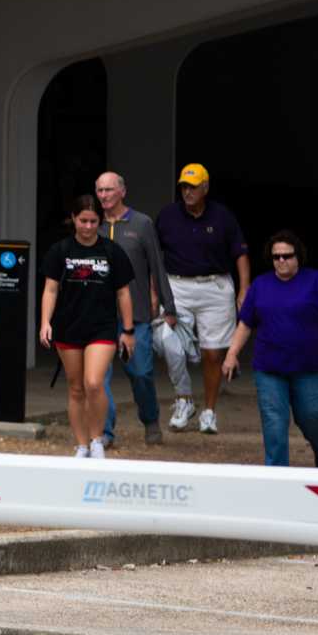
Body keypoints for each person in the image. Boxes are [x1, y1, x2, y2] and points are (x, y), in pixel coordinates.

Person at [221, 232, 318, 468]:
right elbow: (245, 323)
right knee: (274, 422)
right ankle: (277, 475)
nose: (281, 261)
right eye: (276, 257)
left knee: (311, 417)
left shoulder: (316, 281)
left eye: (287, 256)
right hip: (269, 368)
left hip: (309, 367)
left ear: (298, 256)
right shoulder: (260, 285)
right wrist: (232, 354)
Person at [155, 163, 249, 435]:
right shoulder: (168, 215)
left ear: (205, 188)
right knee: (167, 340)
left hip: (215, 286)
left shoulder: (222, 216)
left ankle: (209, 411)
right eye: (184, 186)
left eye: (193, 187)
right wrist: (154, 290)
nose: (187, 192)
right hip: (176, 286)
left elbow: (240, 253)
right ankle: (183, 401)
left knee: (213, 352)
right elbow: (153, 255)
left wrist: (244, 289)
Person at [39, 196, 136, 459]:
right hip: (68, 326)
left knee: (93, 383)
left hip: (102, 327)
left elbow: (124, 293)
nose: (88, 226)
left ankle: (97, 439)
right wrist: (45, 322)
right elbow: (50, 289)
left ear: (100, 222)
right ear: (73, 219)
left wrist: (128, 331)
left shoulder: (112, 251)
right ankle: (81, 444)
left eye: (94, 221)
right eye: (83, 220)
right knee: (75, 387)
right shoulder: (60, 250)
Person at [95, 171, 174, 449]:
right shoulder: (93, 225)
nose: (104, 195)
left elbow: (156, 265)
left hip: (137, 314)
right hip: (100, 317)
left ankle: (150, 420)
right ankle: (105, 432)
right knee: (98, 377)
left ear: (122, 192)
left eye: (109, 190)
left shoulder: (141, 224)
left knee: (140, 372)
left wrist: (168, 305)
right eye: (100, 191)